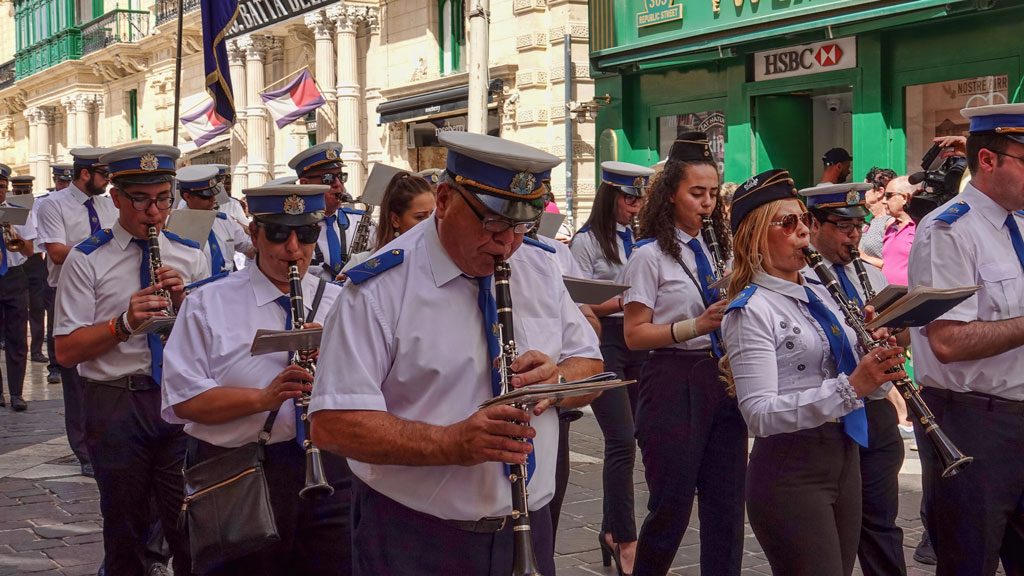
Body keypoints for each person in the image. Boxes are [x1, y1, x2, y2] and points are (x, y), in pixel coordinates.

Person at [308, 130, 603, 576]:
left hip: (527, 523)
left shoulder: (538, 268)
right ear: (444, 199)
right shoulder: (378, 288)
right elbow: (334, 424)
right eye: (492, 222)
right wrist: (453, 443)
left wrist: (557, 381)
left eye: (522, 226)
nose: (507, 244)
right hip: (417, 535)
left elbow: (592, 365)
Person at [721, 169, 906, 576]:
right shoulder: (751, 310)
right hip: (792, 468)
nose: (803, 231)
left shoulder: (821, 292)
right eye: (788, 222)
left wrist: (870, 348)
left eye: (803, 219)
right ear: (754, 235)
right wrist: (851, 387)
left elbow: (838, 365)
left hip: (844, 456)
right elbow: (758, 414)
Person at [162, 183, 354, 575]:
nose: (294, 250)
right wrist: (264, 398)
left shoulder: (344, 302)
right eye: (280, 235)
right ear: (254, 234)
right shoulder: (207, 303)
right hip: (244, 469)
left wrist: (336, 364)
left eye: (306, 235)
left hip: (332, 470)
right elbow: (183, 400)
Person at [54, 144, 206, 576]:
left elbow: (205, 344)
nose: (153, 211)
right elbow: (65, 350)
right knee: (125, 526)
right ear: (116, 198)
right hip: (116, 402)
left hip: (175, 397)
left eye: (162, 198)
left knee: (188, 522)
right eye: (141, 199)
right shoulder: (87, 259)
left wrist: (183, 309)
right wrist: (122, 324)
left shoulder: (188, 254)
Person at [621, 133, 747, 576]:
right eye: (697, 193)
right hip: (673, 380)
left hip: (721, 377)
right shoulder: (649, 255)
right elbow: (635, 335)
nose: (708, 203)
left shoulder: (720, 250)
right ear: (671, 194)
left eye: (713, 193)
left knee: (728, 505)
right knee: (671, 506)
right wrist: (696, 325)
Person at [908, 103, 1024, 575]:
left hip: (1013, 417)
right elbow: (948, 342)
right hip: (974, 421)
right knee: (968, 562)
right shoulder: (948, 230)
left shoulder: (1018, 223)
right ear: (988, 160)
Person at [802, 182, 907, 576]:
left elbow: (903, 335)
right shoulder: (800, 278)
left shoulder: (872, 277)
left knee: (881, 523)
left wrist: (892, 332)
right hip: (832, 413)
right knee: (836, 533)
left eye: (859, 226)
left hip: (876, 410)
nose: (854, 235)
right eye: (842, 226)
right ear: (813, 224)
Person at [570, 160, 653, 575]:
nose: (635, 205)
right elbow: (577, 300)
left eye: (640, 198)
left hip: (640, 339)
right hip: (604, 341)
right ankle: (624, 536)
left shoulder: (641, 237)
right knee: (620, 439)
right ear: (610, 196)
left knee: (639, 436)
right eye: (628, 197)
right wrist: (626, 299)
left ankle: (609, 529)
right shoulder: (586, 241)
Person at [36, 147, 115, 477]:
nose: (108, 182)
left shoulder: (108, 204)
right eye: (103, 175)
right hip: (67, 291)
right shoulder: (53, 205)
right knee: (75, 377)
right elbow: (55, 252)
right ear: (86, 174)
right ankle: (83, 448)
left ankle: (108, 440)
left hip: (106, 292)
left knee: (107, 371)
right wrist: (98, 257)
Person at [0, 165, 38, 411]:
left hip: (14, 277)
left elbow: (30, 251)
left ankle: (16, 393)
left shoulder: (19, 213)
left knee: (16, 338)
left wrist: (17, 238)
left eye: (2, 187)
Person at [343, 171, 435, 270]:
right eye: (420, 217)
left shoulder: (442, 260)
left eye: (433, 214)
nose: (430, 222)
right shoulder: (363, 264)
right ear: (395, 220)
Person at [176, 165, 255, 278]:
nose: (213, 199)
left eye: (213, 194)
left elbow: (248, 248)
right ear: (187, 196)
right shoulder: (176, 226)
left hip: (227, 287)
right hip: (197, 290)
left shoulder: (225, 221)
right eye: (206, 196)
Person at [880, 176, 918, 285]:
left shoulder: (919, 228)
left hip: (910, 297)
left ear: (904, 198)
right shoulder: (890, 226)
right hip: (886, 296)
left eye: (888, 196)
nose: (883, 201)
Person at [859, 168, 897, 269]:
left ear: (880, 192)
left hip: (883, 282)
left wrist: (862, 257)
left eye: (865, 189)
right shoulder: (869, 221)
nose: (861, 193)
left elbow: (895, 265)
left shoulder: (890, 222)